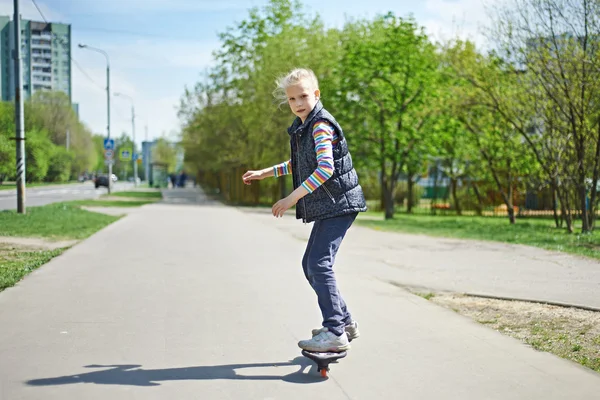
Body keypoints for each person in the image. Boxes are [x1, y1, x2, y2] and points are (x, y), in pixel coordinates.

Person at [242, 68, 367, 352]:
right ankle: (344, 322)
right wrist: (265, 173)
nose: (298, 103)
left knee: (318, 264)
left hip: (339, 204)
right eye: (291, 99)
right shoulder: (305, 126)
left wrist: (291, 199)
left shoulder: (320, 126)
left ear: (316, 95)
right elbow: (299, 163)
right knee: (310, 264)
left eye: (303, 96)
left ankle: (335, 331)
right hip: (332, 204)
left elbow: (325, 168)